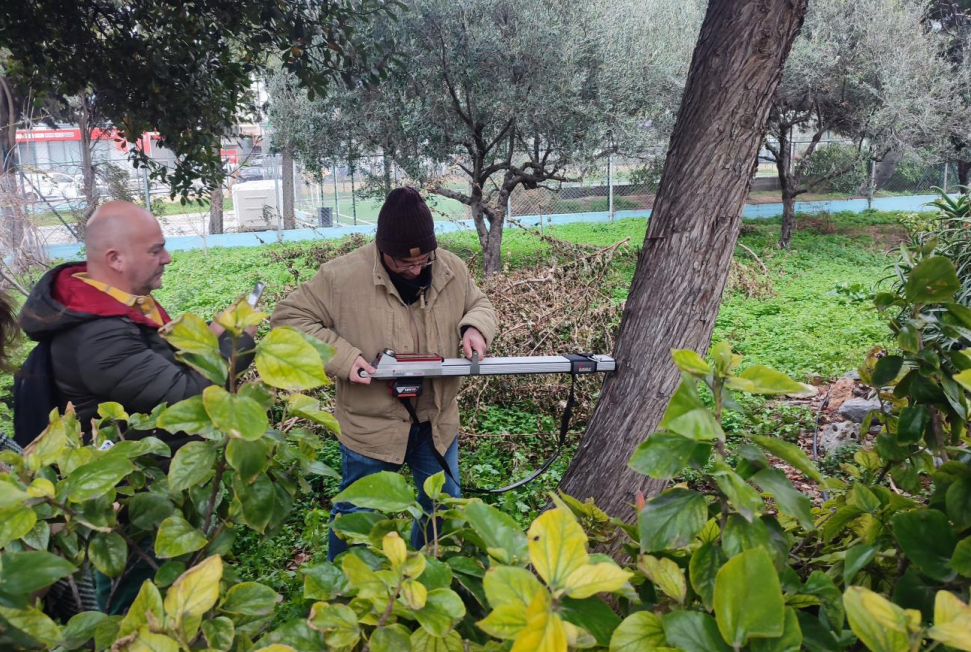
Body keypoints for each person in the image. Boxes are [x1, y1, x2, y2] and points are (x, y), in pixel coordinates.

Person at [17, 200, 255, 614]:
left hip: (144, 494)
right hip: (128, 506)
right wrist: (236, 342)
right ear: (115, 258)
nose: (166, 258)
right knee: (139, 614)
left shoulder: (115, 309)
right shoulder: (99, 339)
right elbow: (189, 397)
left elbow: (157, 369)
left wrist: (209, 337)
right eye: (155, 250)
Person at [272, 187, 497, 559]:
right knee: (358, 513)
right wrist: (343, 357)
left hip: (436, 421)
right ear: (382, 248)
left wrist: (474, 327)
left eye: (423, 259)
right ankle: (346, 596)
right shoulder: (341, 277)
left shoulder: (451, 268)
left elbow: (479, 302)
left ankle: (421, 580)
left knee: (443, 507)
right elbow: (288, 320)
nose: (415, 269)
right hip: (370, 425)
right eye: (404, 263)